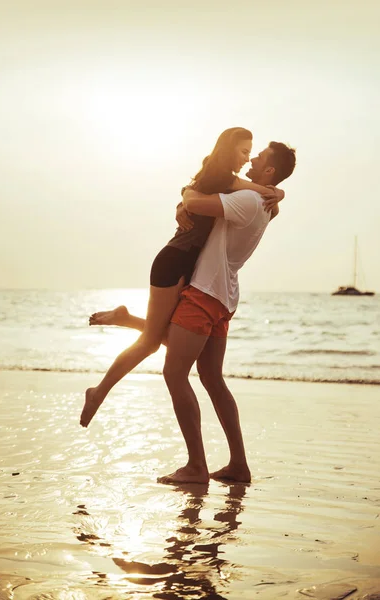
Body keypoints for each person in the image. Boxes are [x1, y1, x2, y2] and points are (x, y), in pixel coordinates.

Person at [80, 128, 284, 427]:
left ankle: (125, 319)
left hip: (190, 265)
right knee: (151, 342)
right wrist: (274, 191)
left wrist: (276, 193)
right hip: (174, 260)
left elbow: (205, 193)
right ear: (228, 150)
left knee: (169, 339)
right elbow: (198, 195)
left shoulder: (237, 187)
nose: (247, 157)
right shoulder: (224, 175)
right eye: (243, 151)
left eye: (251, 153)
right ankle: (98, 392)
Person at [156, 141, 297, 485]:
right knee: (212, 379)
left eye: (259, 156)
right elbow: (198, 203)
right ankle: (238, 464)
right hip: (224, 297)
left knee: (175, 375)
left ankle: (196, 466)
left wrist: (184, 198)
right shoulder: (265, 202)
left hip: (205, 292)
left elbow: (194, 201)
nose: (252, 157)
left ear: (269, 171)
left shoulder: (250, 199)